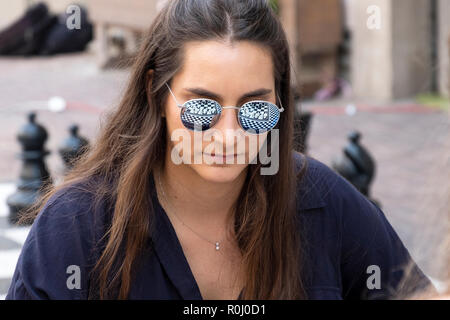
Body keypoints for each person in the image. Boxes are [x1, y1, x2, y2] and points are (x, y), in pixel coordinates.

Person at [6, 0, 433, 300]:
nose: (228, 135)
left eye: (255, 108)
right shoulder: (78, 225)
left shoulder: (321, 200)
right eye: (202, 107)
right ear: (157, 93)